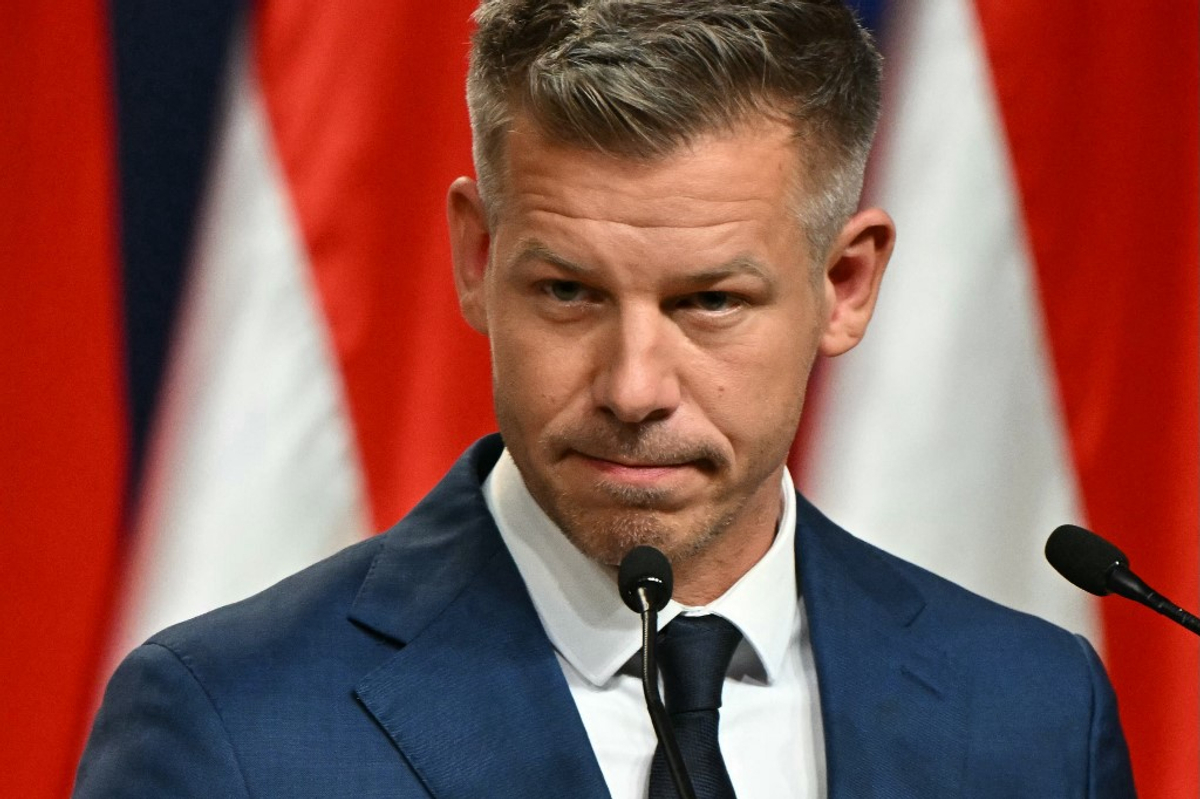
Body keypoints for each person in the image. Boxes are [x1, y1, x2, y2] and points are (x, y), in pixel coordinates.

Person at [74, 1, 1136, 796]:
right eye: (569, 292)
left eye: (710, 301)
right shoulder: (233, 727)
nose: (633, 389)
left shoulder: (1034, 714)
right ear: (478, 259)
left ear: (845, 285)